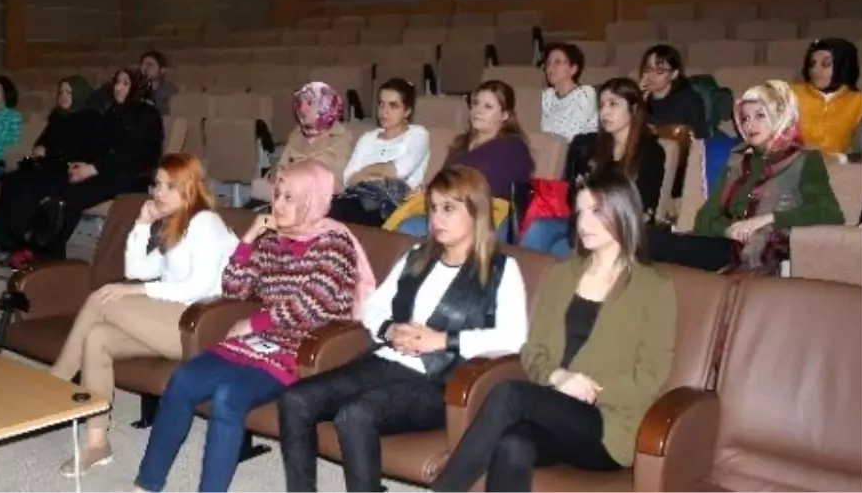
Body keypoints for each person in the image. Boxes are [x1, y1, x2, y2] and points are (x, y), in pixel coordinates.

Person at [278, 166, 529, 493]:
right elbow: (373, 306)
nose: (436, 217)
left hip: (441, 381)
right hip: (386, 359)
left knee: (355, 415)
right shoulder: (417, 256)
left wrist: (443, 340)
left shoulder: (501, 269)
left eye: (448, 208)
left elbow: (514, 337)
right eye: (434, 208)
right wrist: (390, 329)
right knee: (294, 399)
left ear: (476, 210)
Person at [130, 160, 375, 493]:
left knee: (228, 396)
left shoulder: (334, 244)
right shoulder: (273, 239)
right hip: (258, 339)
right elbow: (234, 289)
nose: (278, 204)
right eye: (278, 194)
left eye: (290, 198)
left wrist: (255, 321)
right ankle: (147, 484)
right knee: (184, 379)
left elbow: (312, 306)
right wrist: (249, 239)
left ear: (311, 201)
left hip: (305, 348)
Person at [431, 170, 676, 493]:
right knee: (513, 444)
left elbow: (649, 378)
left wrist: (590, 389)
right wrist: (560, 379)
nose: (583, 223)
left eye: (596, 211)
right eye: (580, 212)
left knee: (509, 394)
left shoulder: (654, 289)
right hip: (554, 408)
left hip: (607, 425)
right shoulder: (562, 275)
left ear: (622, 211)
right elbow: (534, 352)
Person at [49, 153, 238, 476]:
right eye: (157, 184)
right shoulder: (173, 224)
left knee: (102, 300)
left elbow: (197, 287)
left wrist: (138, 292)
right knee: (98, 337)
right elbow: (137, 270)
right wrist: (141, 225)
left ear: (190, 189)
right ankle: (97, 443)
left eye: (169, 186)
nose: (158, 193)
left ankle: (51, 387)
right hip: (170, 319)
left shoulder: (206, 222)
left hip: (202, 326)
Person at [650, 80, 844, 274]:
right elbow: (705, 217)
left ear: (780, 115)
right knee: (646, 238)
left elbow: (829, 213)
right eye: (745, 118)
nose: (750, 124)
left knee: (651, 244)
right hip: (722, 243)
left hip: (762, 248)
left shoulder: (804, 159)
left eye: (760, 115)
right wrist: (729, 230)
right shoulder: (738, 158)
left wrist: (767, 219)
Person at [14, 68, 163, 265]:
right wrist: (85, 165)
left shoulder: (148, 115)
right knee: (58, 190)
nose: (118, 88)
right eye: (117, 82)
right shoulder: (113, 112)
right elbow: (100, 149)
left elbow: (138, 158)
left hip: (132, 178)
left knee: (70, 197)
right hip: (108, 173)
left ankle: (50, 256)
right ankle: (40, 250)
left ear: (137, 88)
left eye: (125, 84)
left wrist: (94, 169)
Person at [522, 78, 666, 258]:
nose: (604, 112)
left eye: (613, 104)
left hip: (619, 228)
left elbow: (643, 204)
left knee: (559, 250)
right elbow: (573, 192)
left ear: (634, 108)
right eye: (602, 105)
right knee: (539, 228)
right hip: (582, 220)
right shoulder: (591, 146)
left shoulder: (651, 152)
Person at [397, 80, 533, 237]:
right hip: (450, 209)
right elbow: (444, 179)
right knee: (403, 220)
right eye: (475, 104)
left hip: (488, 217)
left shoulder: (513, 148)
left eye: (487, 107)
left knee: (411, 227)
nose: (477, 111)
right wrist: (426, 192)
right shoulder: (461, 143)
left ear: (505, 115)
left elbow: (491, 190)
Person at [0, 76, 99, 257]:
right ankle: (7, 240)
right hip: (47, 166)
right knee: (9, 181)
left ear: (79, 94)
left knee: (28, 188)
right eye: (60, 92)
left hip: (66, 169)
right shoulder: (58, 116)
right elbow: (44, 140)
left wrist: (52, 152)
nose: (63, 96)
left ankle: (24, 243)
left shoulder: (90, 119)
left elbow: (84, 152)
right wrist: (40, 147)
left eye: (68, 92)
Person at [328, 78, 430, 227]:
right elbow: (348, 177)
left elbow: (400, 171)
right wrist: (382, 173)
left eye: (393, 106)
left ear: (407, 111)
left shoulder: (418, 134)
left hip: (394, 203)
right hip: (359, 197)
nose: (384, 111)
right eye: (381, 104)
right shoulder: (368, 138)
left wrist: (365, 172)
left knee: (338, 212)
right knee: (324, 207)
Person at [249, 81, 354, 204]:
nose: (303, 109)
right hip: (287, 193)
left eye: (310, 103)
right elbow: (279, 168)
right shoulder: (297, 133)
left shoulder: (342, 137)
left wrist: (294, 174)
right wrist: (275, 174)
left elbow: (336, 183)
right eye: (300, 103)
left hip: (320, 199)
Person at [792, 38, 862, 156]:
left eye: (826, 64)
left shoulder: (860, 101)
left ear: (843, 66)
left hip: (839, 168)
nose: (815, 70)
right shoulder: (790, 93)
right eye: (812, 64)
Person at [638, 45, 709, 139]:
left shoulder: (687, 99)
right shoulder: (641, 98)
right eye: (648, 69)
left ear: (674, 74)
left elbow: (668, 130)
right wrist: (638, 101)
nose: (651, 75)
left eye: (659, 71)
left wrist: (641, 109)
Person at [541, 43, 598, 142]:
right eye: (548, 63)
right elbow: (545, 132)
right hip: (554, 151)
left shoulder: (586, 94)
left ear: (573, 69)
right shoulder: (548, 96)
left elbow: (572, 134)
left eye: (557, 62)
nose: (551, 67)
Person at [140, 50, 179, 115]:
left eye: (150, 65)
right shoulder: (136, 87)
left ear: (162, 70)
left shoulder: (168, 88)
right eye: (144, 64)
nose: (146, 68)